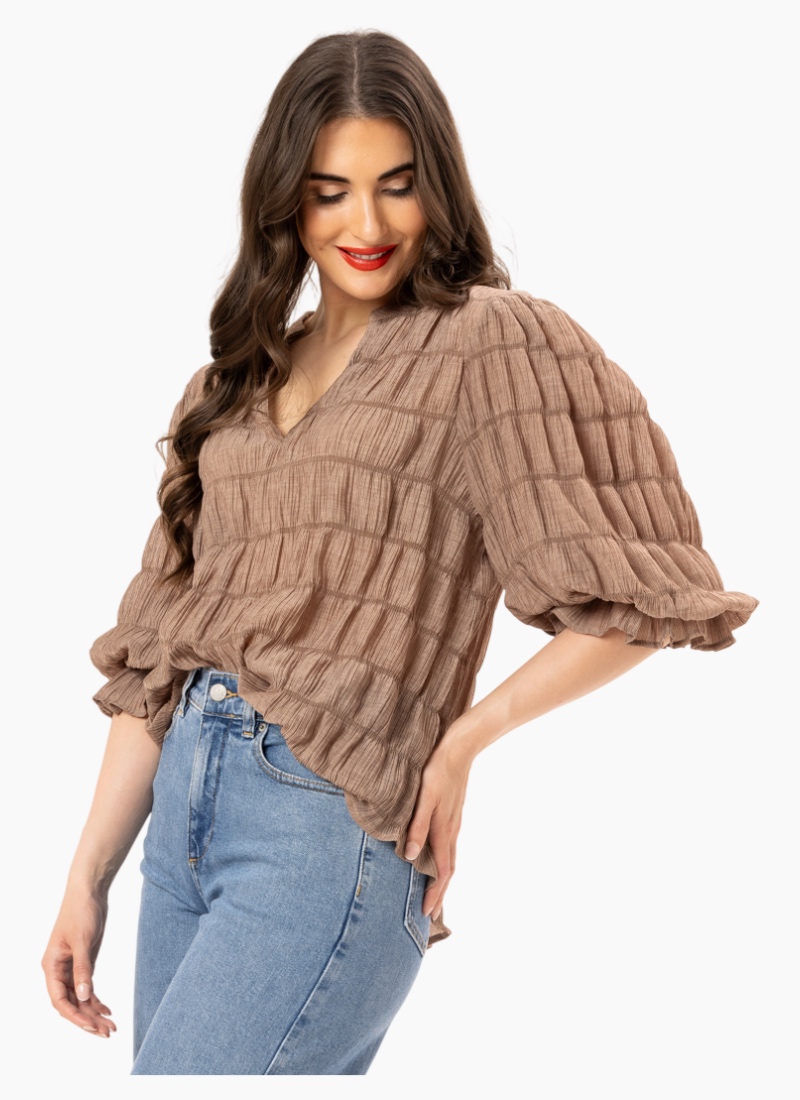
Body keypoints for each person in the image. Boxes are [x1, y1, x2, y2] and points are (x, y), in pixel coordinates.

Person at [41, 29, 759, 1075]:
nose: (367, 225)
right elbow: (158, 659)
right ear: (285, 201)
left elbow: (641, 599)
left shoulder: (487, 340)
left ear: (439, 189)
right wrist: (86, 875)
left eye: (397, 186)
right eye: (329, 191)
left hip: (321, 824)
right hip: (180, 828)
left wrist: (462, 741)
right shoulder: (229, 386)